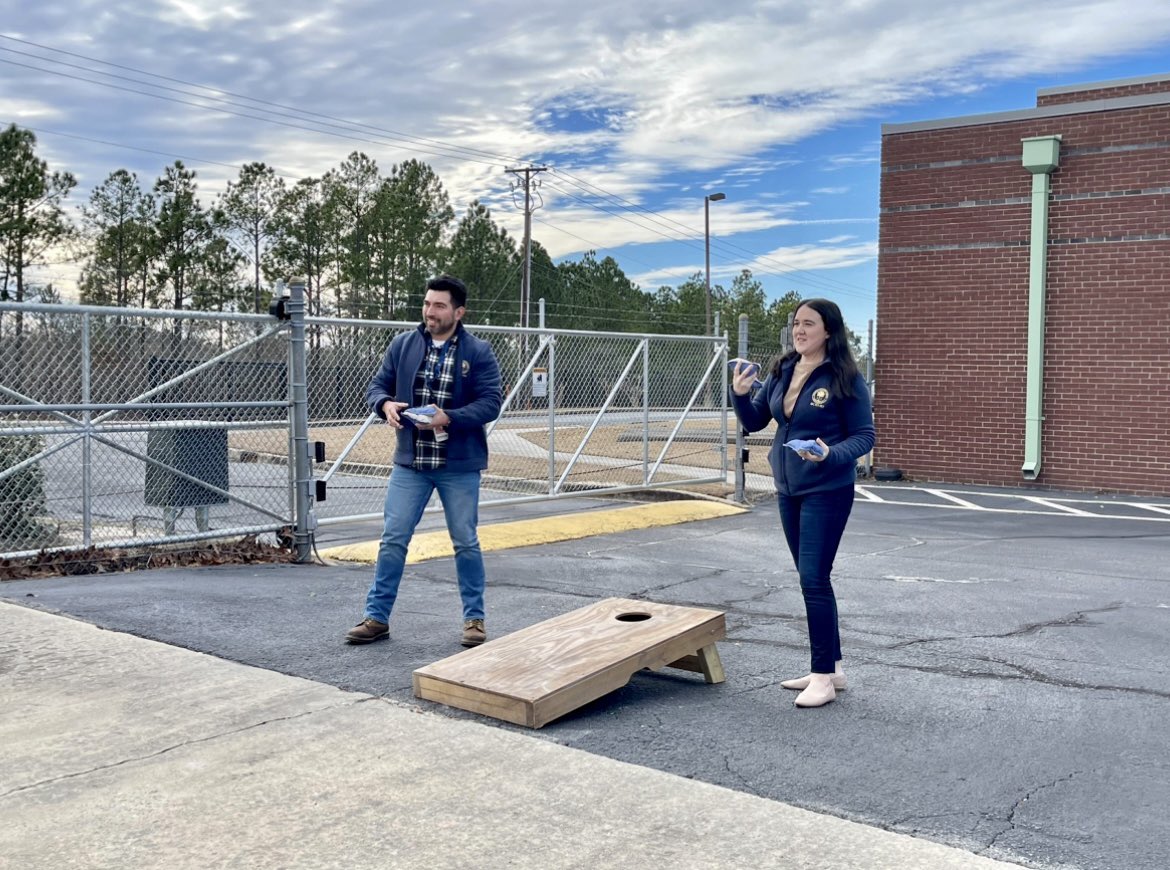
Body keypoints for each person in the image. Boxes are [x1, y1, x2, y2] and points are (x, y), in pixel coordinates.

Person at [730, 299, 875, 708]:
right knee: (813, 578)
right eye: (796, 323)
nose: (799, 330)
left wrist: (831, 454)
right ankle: (833, 668)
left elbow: (864, 436)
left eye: (809, 323)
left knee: (813, 579)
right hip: (788, 489)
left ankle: (822, 678)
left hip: (828, 489)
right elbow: (755, 420)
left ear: (828, 330)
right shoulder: (783, 369)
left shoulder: (845, 376)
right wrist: (739, 394)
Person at [345, 274, 503, 648]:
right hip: (411, 464)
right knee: (393, 539)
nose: (430, 311)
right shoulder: (403, 345)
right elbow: (377, 386)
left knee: (465, 541)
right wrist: (384, 404)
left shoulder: (478, 351)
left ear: (459, 312)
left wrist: (449, 417)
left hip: (458, 465)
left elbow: (491, 402)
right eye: (427, 303)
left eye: (439, 306)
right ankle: (376, 618)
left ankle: (474, 620)